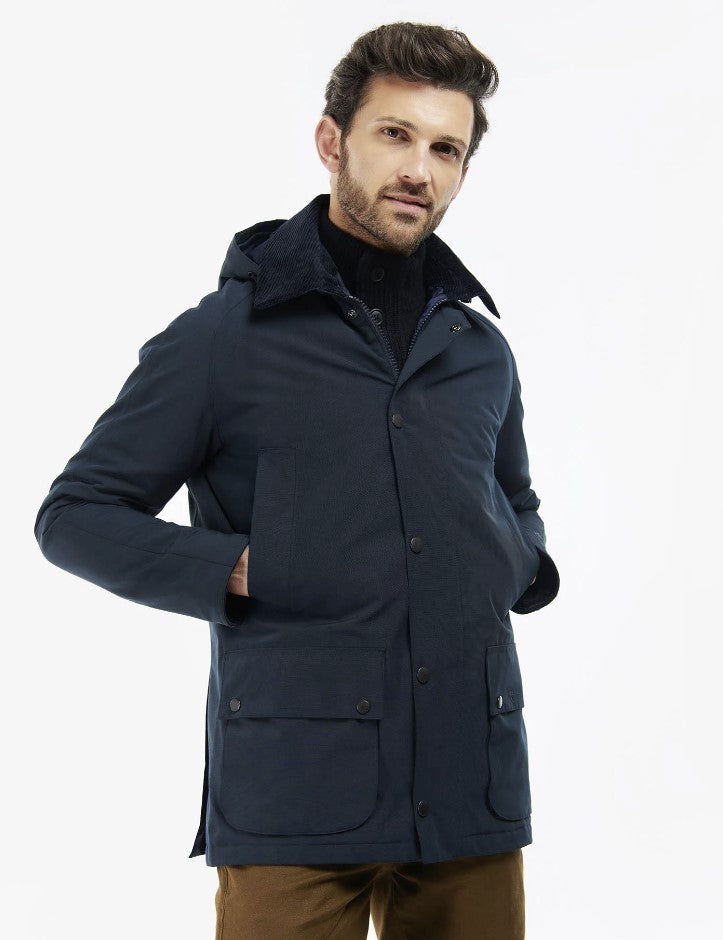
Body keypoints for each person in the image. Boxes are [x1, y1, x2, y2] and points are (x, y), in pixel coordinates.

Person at [33, 20, 560, 939]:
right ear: (331, 141)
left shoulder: (479, 349)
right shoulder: (223, 337)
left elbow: (512, 494)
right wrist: (240, 567)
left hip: (469, 775)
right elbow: (74, 514)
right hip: (295, 788)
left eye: (446, 149)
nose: (419, 170)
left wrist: (514, 564)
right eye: (394, 134)